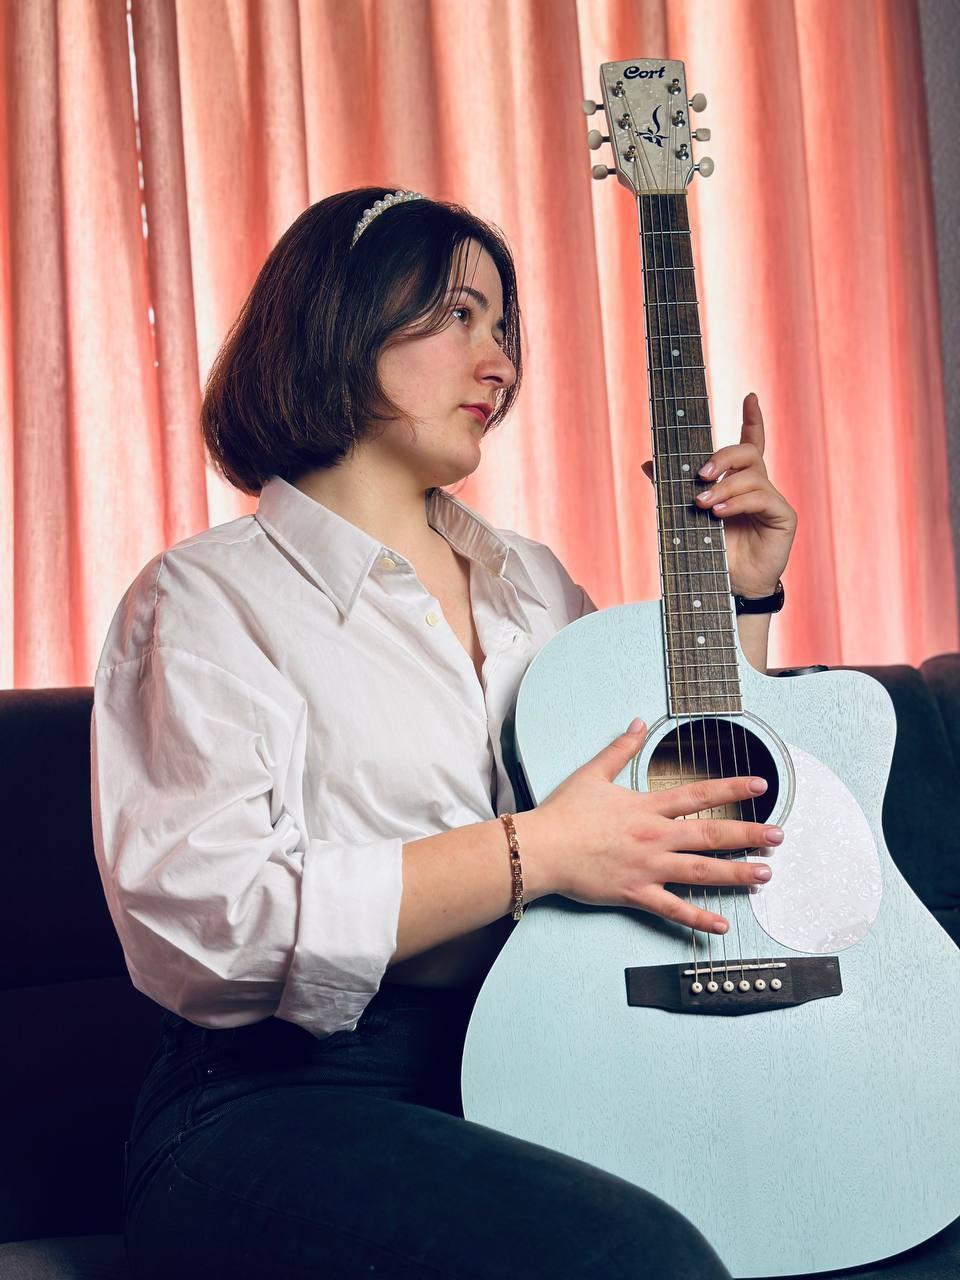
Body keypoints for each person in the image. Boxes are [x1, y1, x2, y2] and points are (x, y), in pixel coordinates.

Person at [90, 186, 797, 1279]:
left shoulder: (538, 588)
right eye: (460, 315)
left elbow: (678, 817)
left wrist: (740, 595)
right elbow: (214, 924)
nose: (501, 362)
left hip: (541, 1049)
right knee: (635, 1258)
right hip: (278, 1097)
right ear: (342, 317)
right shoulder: (201, 600)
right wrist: (536, 852)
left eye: (504, 327)